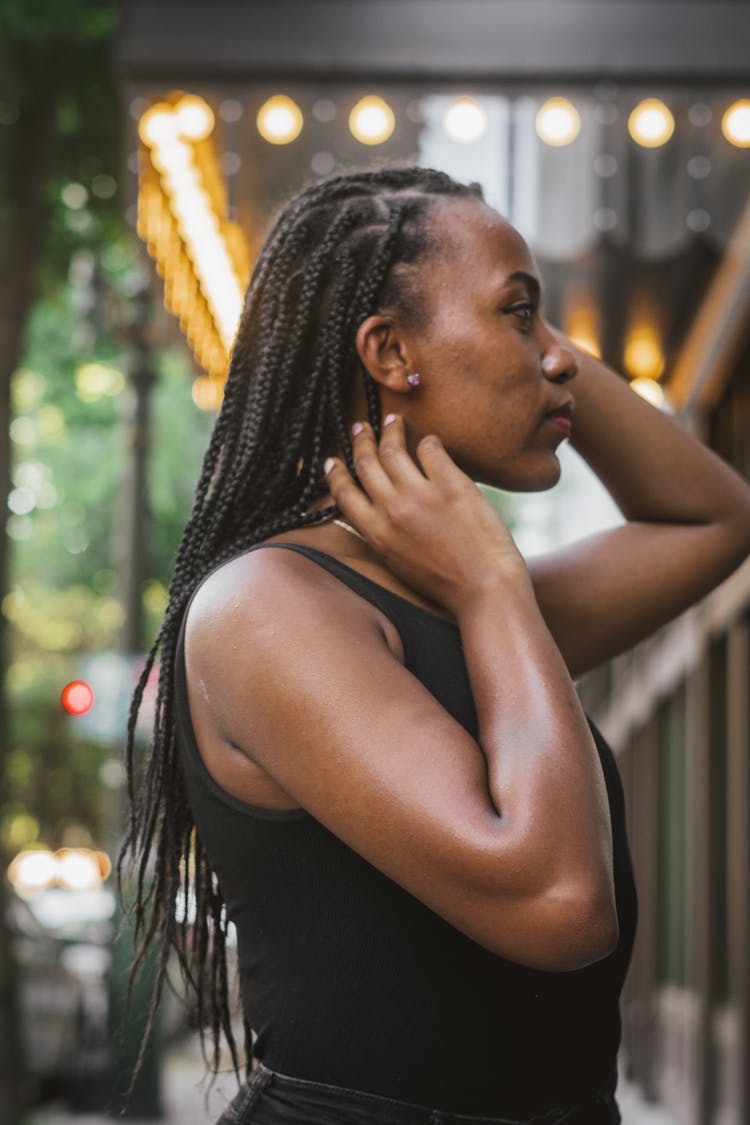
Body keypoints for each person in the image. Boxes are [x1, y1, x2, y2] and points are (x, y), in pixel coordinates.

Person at [120, 166, 750, 1124]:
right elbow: (560, 904)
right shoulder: (270, 606)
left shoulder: (460, 602)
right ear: (389, 349)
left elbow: (711, 519)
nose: (558, 358)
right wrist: (492, 580)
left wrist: (532, 345)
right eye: (519, 314)